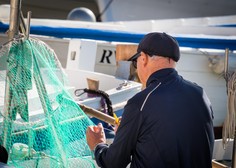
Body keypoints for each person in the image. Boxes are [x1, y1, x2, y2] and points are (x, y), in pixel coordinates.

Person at [86, 32, 215, 168]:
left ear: (144, 58)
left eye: (136, 63)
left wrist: (98, 144)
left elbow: (112, 163)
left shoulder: (140, 103)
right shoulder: (200, 94)